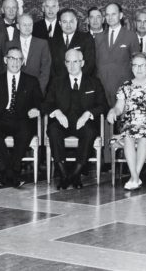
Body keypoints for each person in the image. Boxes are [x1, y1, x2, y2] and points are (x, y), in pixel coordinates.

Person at [41, 49, 108, 189]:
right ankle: (64, 173)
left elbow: (103, 106)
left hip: (83, 123)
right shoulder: (57, 81)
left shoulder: (93, 82)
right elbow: (46, 104)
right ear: (65, 64)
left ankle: (76, 173)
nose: (72, 66)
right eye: (68, 62)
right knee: (53, 130)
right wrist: (57, 112)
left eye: (76, 62)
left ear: (82, 63)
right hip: (62, 122)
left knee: (90, 132)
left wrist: (88, 114)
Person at [106, 53, 146, 190]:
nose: (138, 69)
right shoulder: (126, 86)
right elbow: (119, 107)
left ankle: (134, 177)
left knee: (142, 137)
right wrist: (113, 111)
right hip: (131, 124)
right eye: (135, 65)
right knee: (129, 135)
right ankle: (135, 177)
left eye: (142, 65)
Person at [0, 47, 43, 187]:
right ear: (5, 60)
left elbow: (40, 102)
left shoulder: (31, 81)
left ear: (23, 61)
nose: (15, 62)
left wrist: (37, 109)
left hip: (22, 119)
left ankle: (8, 172)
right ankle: (11, 172)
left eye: (19, 59)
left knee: (25, 132)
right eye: (12, 58)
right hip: (0, 118)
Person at [95, 3, 140, 108]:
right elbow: (96, 63)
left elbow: (136, 63)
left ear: (120, 15)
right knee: (104, 121)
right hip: (103, 88)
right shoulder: (98, 37)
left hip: (124, 88)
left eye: (113, 14)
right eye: (107, 15)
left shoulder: (131, 36)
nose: (110, 17)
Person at [6, 13, 51, 94]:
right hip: (14, 90)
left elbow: (46, 69)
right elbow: (6, 69)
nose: (27, 27)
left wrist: (38, 89)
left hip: (37, 90)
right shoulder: (9, 44)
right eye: (24, 25)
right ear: (18, 26)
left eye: (30, 24)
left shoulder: (42, 44)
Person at [49, 8, 96, 79]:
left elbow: (89, 64)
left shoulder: (86, 38)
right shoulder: (52, 41)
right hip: (58, 84)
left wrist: (75, 80)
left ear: (76, 22)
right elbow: (50, 67)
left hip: (81, 83)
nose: (68, 25)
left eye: (71, 21)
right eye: (65, 22)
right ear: (60, 23)